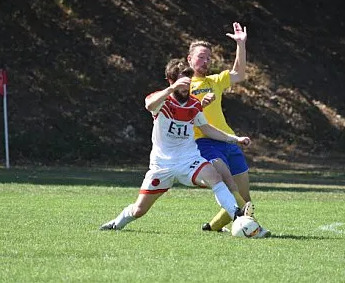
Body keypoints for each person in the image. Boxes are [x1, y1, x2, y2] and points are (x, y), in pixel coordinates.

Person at [99, 59, 264, 234]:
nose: (186, 88)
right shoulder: (162, 101)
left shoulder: (194, 104)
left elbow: (206, 128)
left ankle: (238, 218)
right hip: (162, 165)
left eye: (188, 83)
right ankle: (117, 223)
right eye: (182, 84)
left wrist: (234, 139)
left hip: (189, 159)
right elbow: (149, 105)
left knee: (214, 176)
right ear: (171, 81)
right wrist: (171, 89)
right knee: (139, 210)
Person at [187, 22, 271, 237]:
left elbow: (239, 73)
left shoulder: (215, 81)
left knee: (245, 197)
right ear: (189, 59)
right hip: (204, 142)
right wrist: (200, 104)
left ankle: (213, 227)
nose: (205, 61)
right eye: (201, 57)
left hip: (228, 140)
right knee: (230, 187)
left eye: (208, 58)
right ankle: (254, 229)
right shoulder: (183, 86)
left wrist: (241, 45)